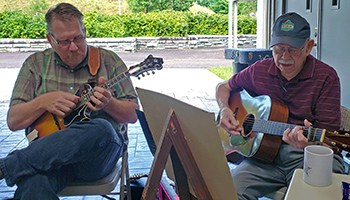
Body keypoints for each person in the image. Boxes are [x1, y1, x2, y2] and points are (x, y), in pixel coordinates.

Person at [0, 2, 139, 199]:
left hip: (97, 158)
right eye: (64, 41)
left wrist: (109, 103)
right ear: (50, 40)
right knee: (33, 184)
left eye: (78, 38)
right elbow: (13, 121)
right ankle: (15, 167)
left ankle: (6, 167)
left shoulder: (109, 60)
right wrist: (43, 102)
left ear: (85, 31)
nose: (73, 47)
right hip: (51, 159)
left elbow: (133, 115)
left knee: (101, 128)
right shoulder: (35, 64)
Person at [216, 12, 344, 199]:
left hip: (307, 156)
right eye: (278, 49)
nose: (284, 57)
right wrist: (225, 109)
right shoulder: (259, 69)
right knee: (226, 192)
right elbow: (223, 87)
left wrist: (310, 144)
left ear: (308, 47)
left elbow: (329, 141)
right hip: (263, 158)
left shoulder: (326, 77)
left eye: (292, 49)